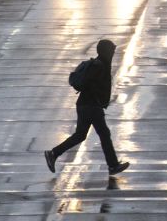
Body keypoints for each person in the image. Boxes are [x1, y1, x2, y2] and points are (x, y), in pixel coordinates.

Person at [45, 39, 130, 175]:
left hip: (86, 105)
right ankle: (113, 165)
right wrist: (98, 96)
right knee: (104, 134)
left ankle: (54, 153)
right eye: (111, 50)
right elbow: (89, 83)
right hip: (91, 106)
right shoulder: (99, 66)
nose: (113, 53)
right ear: (105, 51)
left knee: (80, 135)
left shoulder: (100, 64)